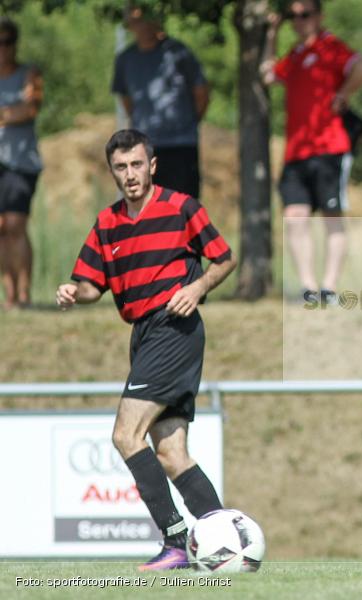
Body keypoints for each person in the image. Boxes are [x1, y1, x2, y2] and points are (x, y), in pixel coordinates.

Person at [56, 129, 235, 571]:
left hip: (175, 329)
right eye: (121, 167)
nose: (130, 174)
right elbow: (91, 287)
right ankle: (228, 540)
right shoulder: (107, 222)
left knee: (124, 434)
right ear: (112, 171)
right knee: (172, 454)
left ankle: (175, 541)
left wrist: (196, 287)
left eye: (137, 164)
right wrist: (70, 292)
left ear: (152, 165)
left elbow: (225, 258)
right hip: (144, 334)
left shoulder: (181, 207)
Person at [260, 0, 362, 305]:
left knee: (331, 217)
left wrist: (343, 95)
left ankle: (329, 287)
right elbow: (268, 75)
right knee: (295, 216)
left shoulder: (331, 47)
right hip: (297, 151)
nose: (299, 20)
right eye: (293, 16)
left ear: (319, 16)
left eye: (305, 14)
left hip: (330, 148)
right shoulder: (295, 55)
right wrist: (272, 32)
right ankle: (309, 288)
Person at [112, 2, 209, 199]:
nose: (142, 25)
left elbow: (201, 93)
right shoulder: (125, 59)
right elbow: (126, 99)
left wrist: (187, 123)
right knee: (148, 212)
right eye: (136, 20)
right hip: (145, 149)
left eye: (145, 18)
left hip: (181, 145)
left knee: (182, 209)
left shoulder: (178, 53)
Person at [0, 17, 42, 310]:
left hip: (21, 161)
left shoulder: (30, 74)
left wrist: (9, 114)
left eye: (7, 42)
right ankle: (10, 296)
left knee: (15, 224)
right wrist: (9, 112)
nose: (2, 49)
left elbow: (30, 108)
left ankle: (25, 294)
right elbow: (17, 111)